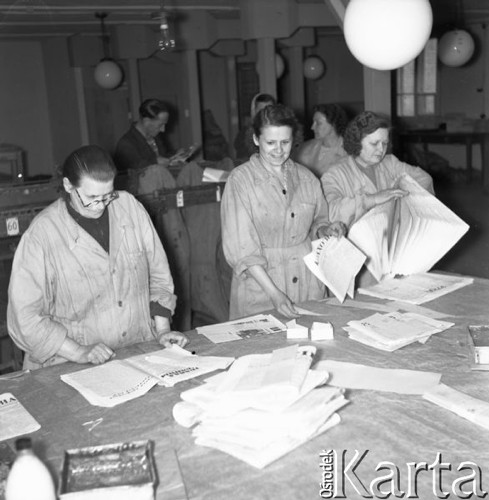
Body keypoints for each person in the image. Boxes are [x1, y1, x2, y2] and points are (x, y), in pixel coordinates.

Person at [7, 145, 188, 370]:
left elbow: (159, 276)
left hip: (135, 351)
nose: (101, 206)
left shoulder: (129, 207)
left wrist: (162, 331)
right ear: (68, 186)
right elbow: (24, 320)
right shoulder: (41, 235)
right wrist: (78, 351)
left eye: (107, 195)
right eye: (92, 198)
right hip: (67, 364)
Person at [221, 104, 346, 320]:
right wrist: (274, 294)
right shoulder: (240, 181)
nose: (279, 150)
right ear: (255, 139)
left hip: (308, 283)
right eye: (270, 143)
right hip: (262, 285)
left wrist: (327, 229)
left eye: (285, 142)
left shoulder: (307, 177)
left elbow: (318, 221)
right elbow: (242, 251)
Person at [321, 111, 434, 228]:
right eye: (374, 143)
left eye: (385, 143)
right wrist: (372, 199)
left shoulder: (390, 163)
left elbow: (424, 179)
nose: (381, 150)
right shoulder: (335, 174)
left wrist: (404, 194)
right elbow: (331, 211)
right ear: (356, 142)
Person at [114, 98, 188, 173]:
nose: (163, 130)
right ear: (146, 121)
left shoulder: (154, 136)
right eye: (160, 125)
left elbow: (161, 158)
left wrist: (175, 155)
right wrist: (155, 163)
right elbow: (132, 173)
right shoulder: (125, 144)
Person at [295, 103, 348, 178]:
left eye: (318, 123)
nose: (312, 127)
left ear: (333, 124)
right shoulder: (304, 149)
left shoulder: (348, 152)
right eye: (313, 122)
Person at [233, 93, 276, 164]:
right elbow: (242, 162)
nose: (265, 115)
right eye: (261, 111)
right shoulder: (244, 136)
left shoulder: (282, 132)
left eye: (269, 111)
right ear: (254, 112)